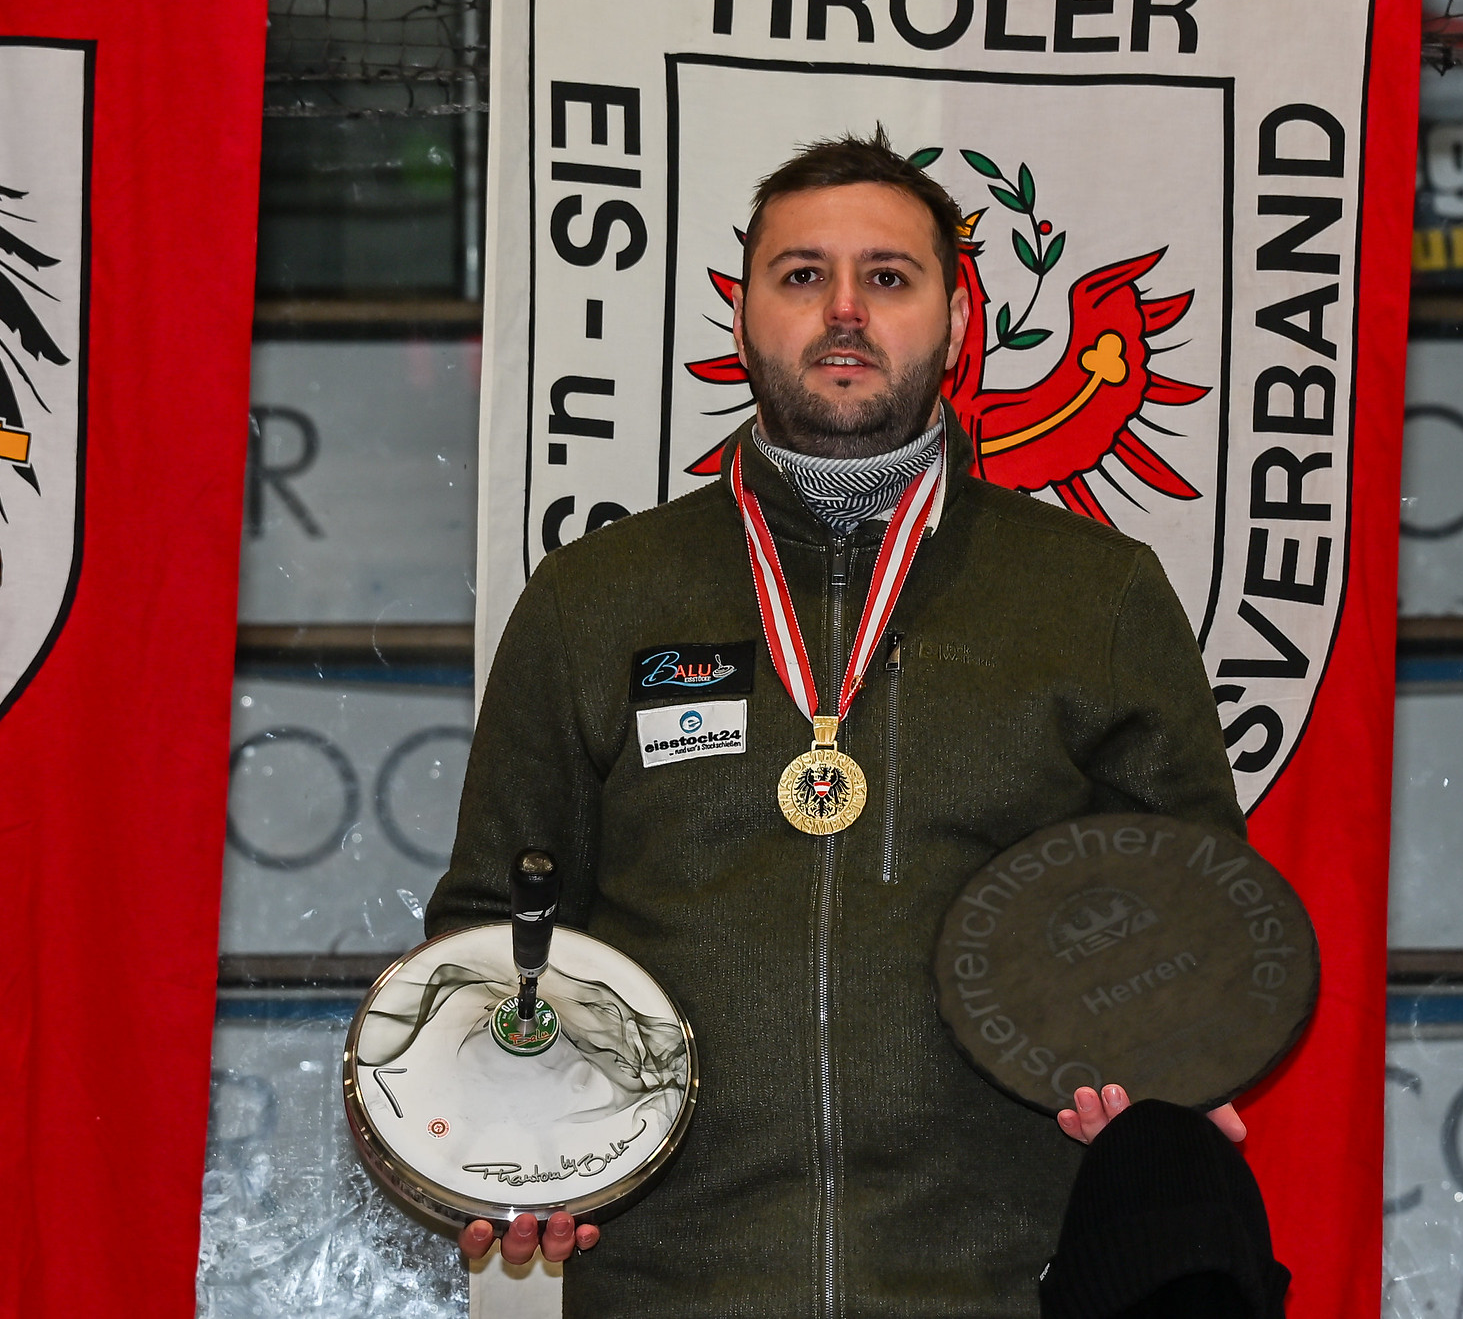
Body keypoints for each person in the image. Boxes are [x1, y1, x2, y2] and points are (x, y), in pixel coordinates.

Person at [426, 128, 1249, 1316]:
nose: (844, 311)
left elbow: (1198, 905)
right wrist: (501, 1136)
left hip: (1004, 1282)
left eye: (890, 276)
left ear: (957, 322)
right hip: (667, 1285)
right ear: (745, 316)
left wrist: (1175, 1057)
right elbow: (494, 935)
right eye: (801, 275)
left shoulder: (1094, 596)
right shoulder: (596, 601)